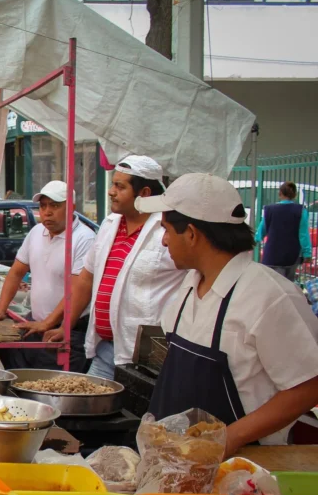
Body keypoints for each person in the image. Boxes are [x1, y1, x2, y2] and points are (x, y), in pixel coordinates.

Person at [136, 173, 318, 453]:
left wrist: (225, 440)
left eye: (167, 230)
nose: (163, 241)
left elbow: (308, 387)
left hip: (240, 470)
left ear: (193, 234)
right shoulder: (189, 285)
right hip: (176, 461)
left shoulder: (269, 296)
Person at [42, 156, 185, 379]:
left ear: (145, 193)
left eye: (120, 186)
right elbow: (86, 280)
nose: (111, 191)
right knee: (87, 409)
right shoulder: (110, 224)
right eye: (112, 184)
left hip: (147, 359)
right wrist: (66, 326)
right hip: (105, 350)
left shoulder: (167, 231)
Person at [0, 180, 96, 371]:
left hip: (67, 330)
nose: (47, 212)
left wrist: (49, 323)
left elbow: (78, 290)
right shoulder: (36, 232)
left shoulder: (85, 239)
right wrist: (1, 309)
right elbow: (16, 272)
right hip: (35, 323)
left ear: (71, 207)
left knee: (50, 387)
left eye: (55, 206)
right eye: (43, 206)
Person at [255, 181, 312, 282]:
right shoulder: (301, 210)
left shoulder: (270, 210)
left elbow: (262, 229)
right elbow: (303, 234)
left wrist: (255, 240)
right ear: (295, 195)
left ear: (280, 193)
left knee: (274, 285)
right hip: (292, 255)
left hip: (272, 255)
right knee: (289, 284)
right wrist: (307, 253)